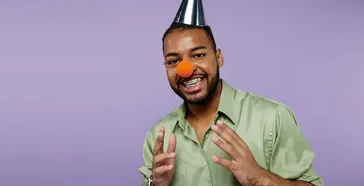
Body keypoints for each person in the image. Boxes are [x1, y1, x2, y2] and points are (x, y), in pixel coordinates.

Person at [138, 1, 323, 186]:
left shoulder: (272, 118)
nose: (185, 69)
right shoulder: (157, 136)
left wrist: (259, 178)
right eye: (173, 61)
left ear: (219, 58)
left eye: (198, 55)